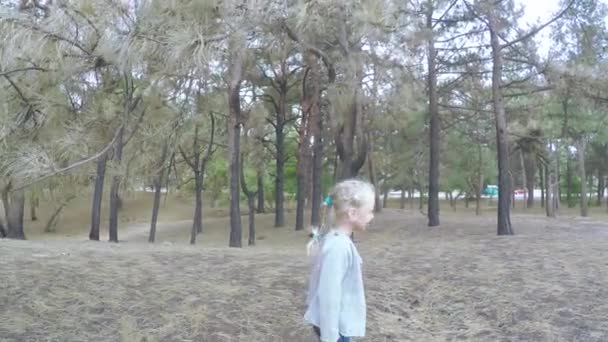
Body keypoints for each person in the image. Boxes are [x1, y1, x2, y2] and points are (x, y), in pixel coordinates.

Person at [304, 179, 376, 342]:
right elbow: (329, 295)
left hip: (338, 327)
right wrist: (330, 337)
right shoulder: (339, 246)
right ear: (352, 213)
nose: (372, 216)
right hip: (336, 331)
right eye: (370, 211)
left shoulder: (338, 241)